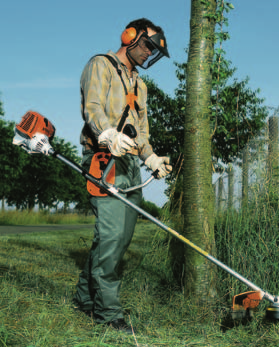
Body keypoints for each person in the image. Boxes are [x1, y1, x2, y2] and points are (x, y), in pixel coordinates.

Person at [73, 18, 172, 334]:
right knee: (112, 238)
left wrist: (151, 157)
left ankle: (83, 297)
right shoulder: (100, 65)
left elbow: (141, 131)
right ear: (131, 36)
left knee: (118, 237)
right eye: (148, 46)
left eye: (153, 52)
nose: (149, 55)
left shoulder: (140, 85)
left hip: (129, 164)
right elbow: (93, 109)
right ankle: (108, 314)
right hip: (105, 157)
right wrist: (108, 135)